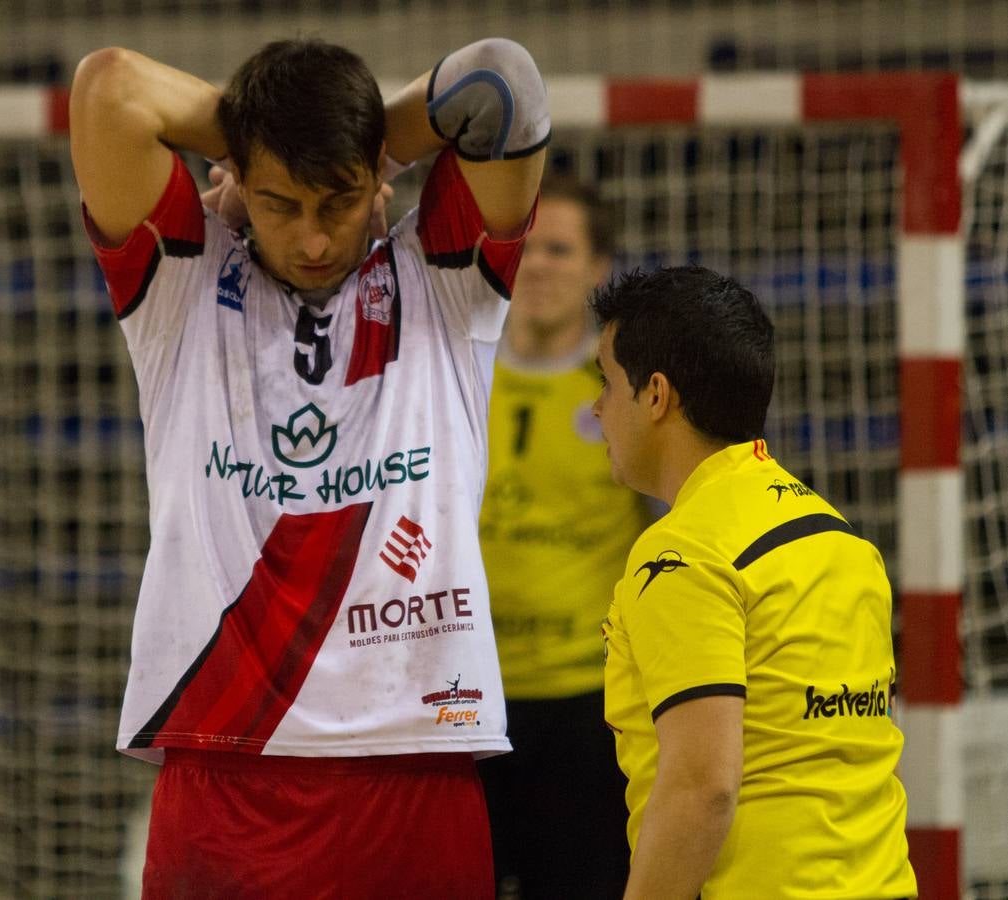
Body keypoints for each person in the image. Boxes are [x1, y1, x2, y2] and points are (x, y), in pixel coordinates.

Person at [69, 35, 548, 899]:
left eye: (339, 198)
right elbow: (110, 89)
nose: (315, 236)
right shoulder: (180, 288)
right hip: (225, 764)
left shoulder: (444, 284)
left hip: (416, 758)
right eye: (280, 202)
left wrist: (365, 141)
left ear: (375, 184)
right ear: (242, 188)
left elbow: (501, 80)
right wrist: (257, 139)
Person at [591, 267, 917, 899]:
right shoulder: (839, 536)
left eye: (606, 383)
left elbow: (701, 787)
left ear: (656, 395)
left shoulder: (683, 553)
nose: (597, 408)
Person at [476, 172, 646, 900]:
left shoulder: (632, 393)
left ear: (597, 269)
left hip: (588, 704)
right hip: (462, 700)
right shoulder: (454, 372)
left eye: (560, 248)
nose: (539, 263)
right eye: (526, 246)